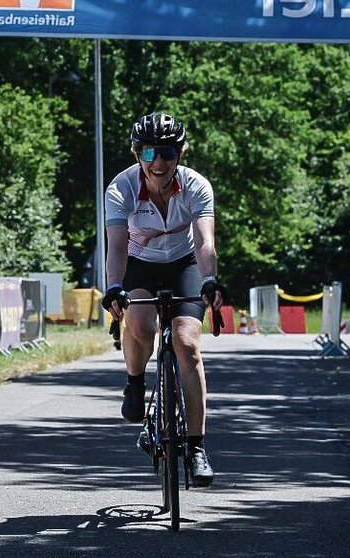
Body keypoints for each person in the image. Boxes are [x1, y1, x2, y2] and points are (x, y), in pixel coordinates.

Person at [101, 112, 226, 488]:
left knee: (187, 344)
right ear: (139, 152)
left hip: (184, 264)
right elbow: (118, 245)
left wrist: (210, 280)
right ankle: (135, 382)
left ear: (181, 153)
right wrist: (114, 286)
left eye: (168, 152)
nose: (159, 162)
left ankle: (198, 446)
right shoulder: (121, 188)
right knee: (141, 325)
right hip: (140, 264)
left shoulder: (196, 186)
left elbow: (205, 242)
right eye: (151, 152)